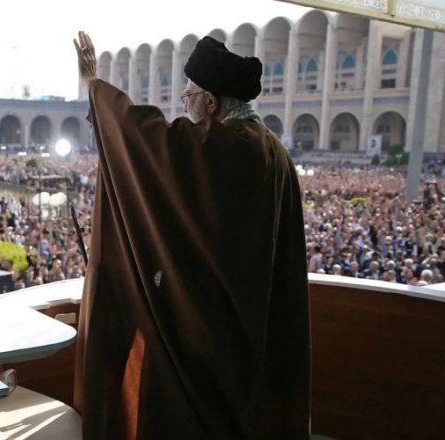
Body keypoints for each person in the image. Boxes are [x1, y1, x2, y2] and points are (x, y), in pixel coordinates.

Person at [72, 32, 309, 438]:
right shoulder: (273, 148)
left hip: (212, 335)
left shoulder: (231, 146)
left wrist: (94, 86)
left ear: (211, 102)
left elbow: (151, 144)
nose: (184, 106)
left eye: (188, 97)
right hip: (255, 324)